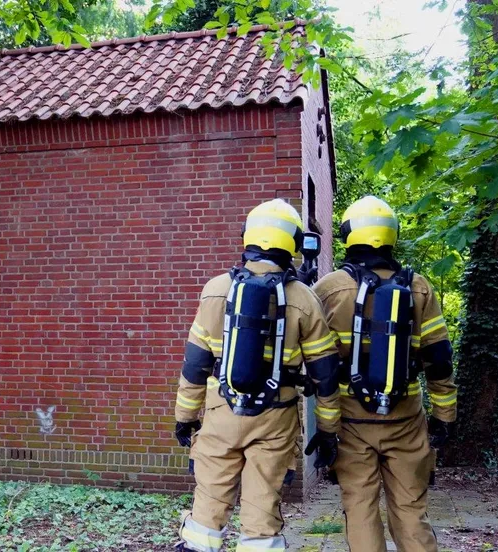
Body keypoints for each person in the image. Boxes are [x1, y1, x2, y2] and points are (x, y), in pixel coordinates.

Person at [175, 198, 341, 552]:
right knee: (262, 508)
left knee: (208, 504)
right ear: (293, 243)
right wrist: (328, 430)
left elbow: (194, 366)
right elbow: (325, 375)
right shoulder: (305, 299)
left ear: (247, 237)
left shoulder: (215, 289)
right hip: (276, 417)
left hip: (221, 412)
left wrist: (185, 418)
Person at [312, 196, 457, 552]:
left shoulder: (328, 289)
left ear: (349, 235)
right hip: (405, 419)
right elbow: (438, 359)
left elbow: (313, 359)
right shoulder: (419, 287)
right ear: (391, 236)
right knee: (411, 510)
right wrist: (444, 415)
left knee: (359, 508)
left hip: (350, 420)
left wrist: (326, 428)